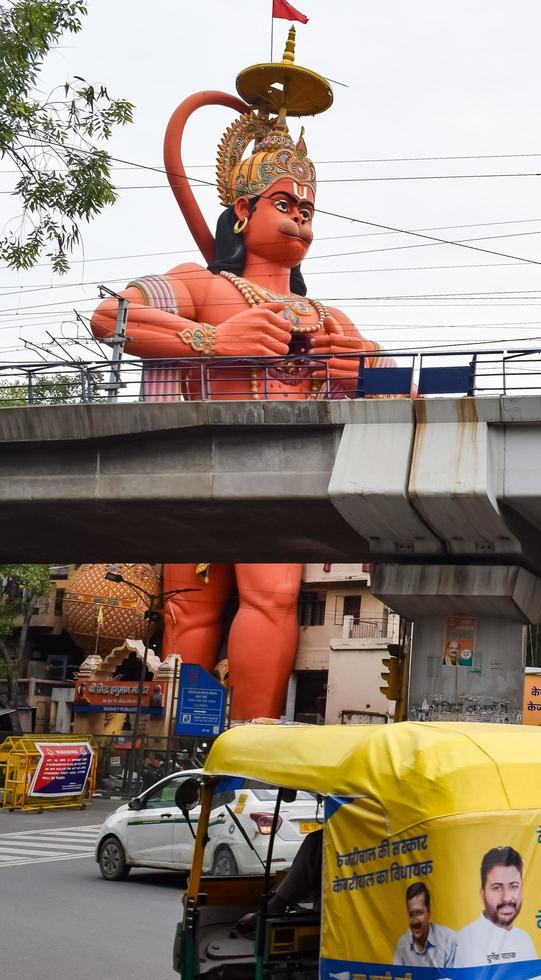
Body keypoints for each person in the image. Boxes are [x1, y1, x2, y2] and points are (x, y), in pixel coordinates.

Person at [90, 40, 383, 723]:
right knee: (190, 610)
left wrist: (360, 363)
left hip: (277, 479)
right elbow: (113, 316)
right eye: (287, 202)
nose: (302, 217)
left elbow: (401, 388)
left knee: (274, 596)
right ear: (243, 212)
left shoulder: (327, 316)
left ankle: (252, 746)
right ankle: (182, 748)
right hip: (194, 463)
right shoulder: (203, 286)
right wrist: (211, 339)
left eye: (310, 208)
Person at [453, 846, 537, 967]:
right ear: (482, 894)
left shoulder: (524, 940)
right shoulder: (463, 941)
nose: (506, 897)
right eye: (497, 888)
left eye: (513, 886)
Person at [393, 883, 457, 968]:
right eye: (411, 914)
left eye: (419, 913)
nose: (415, 921)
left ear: (429, 911)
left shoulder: (448, 940)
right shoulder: (402, 945)